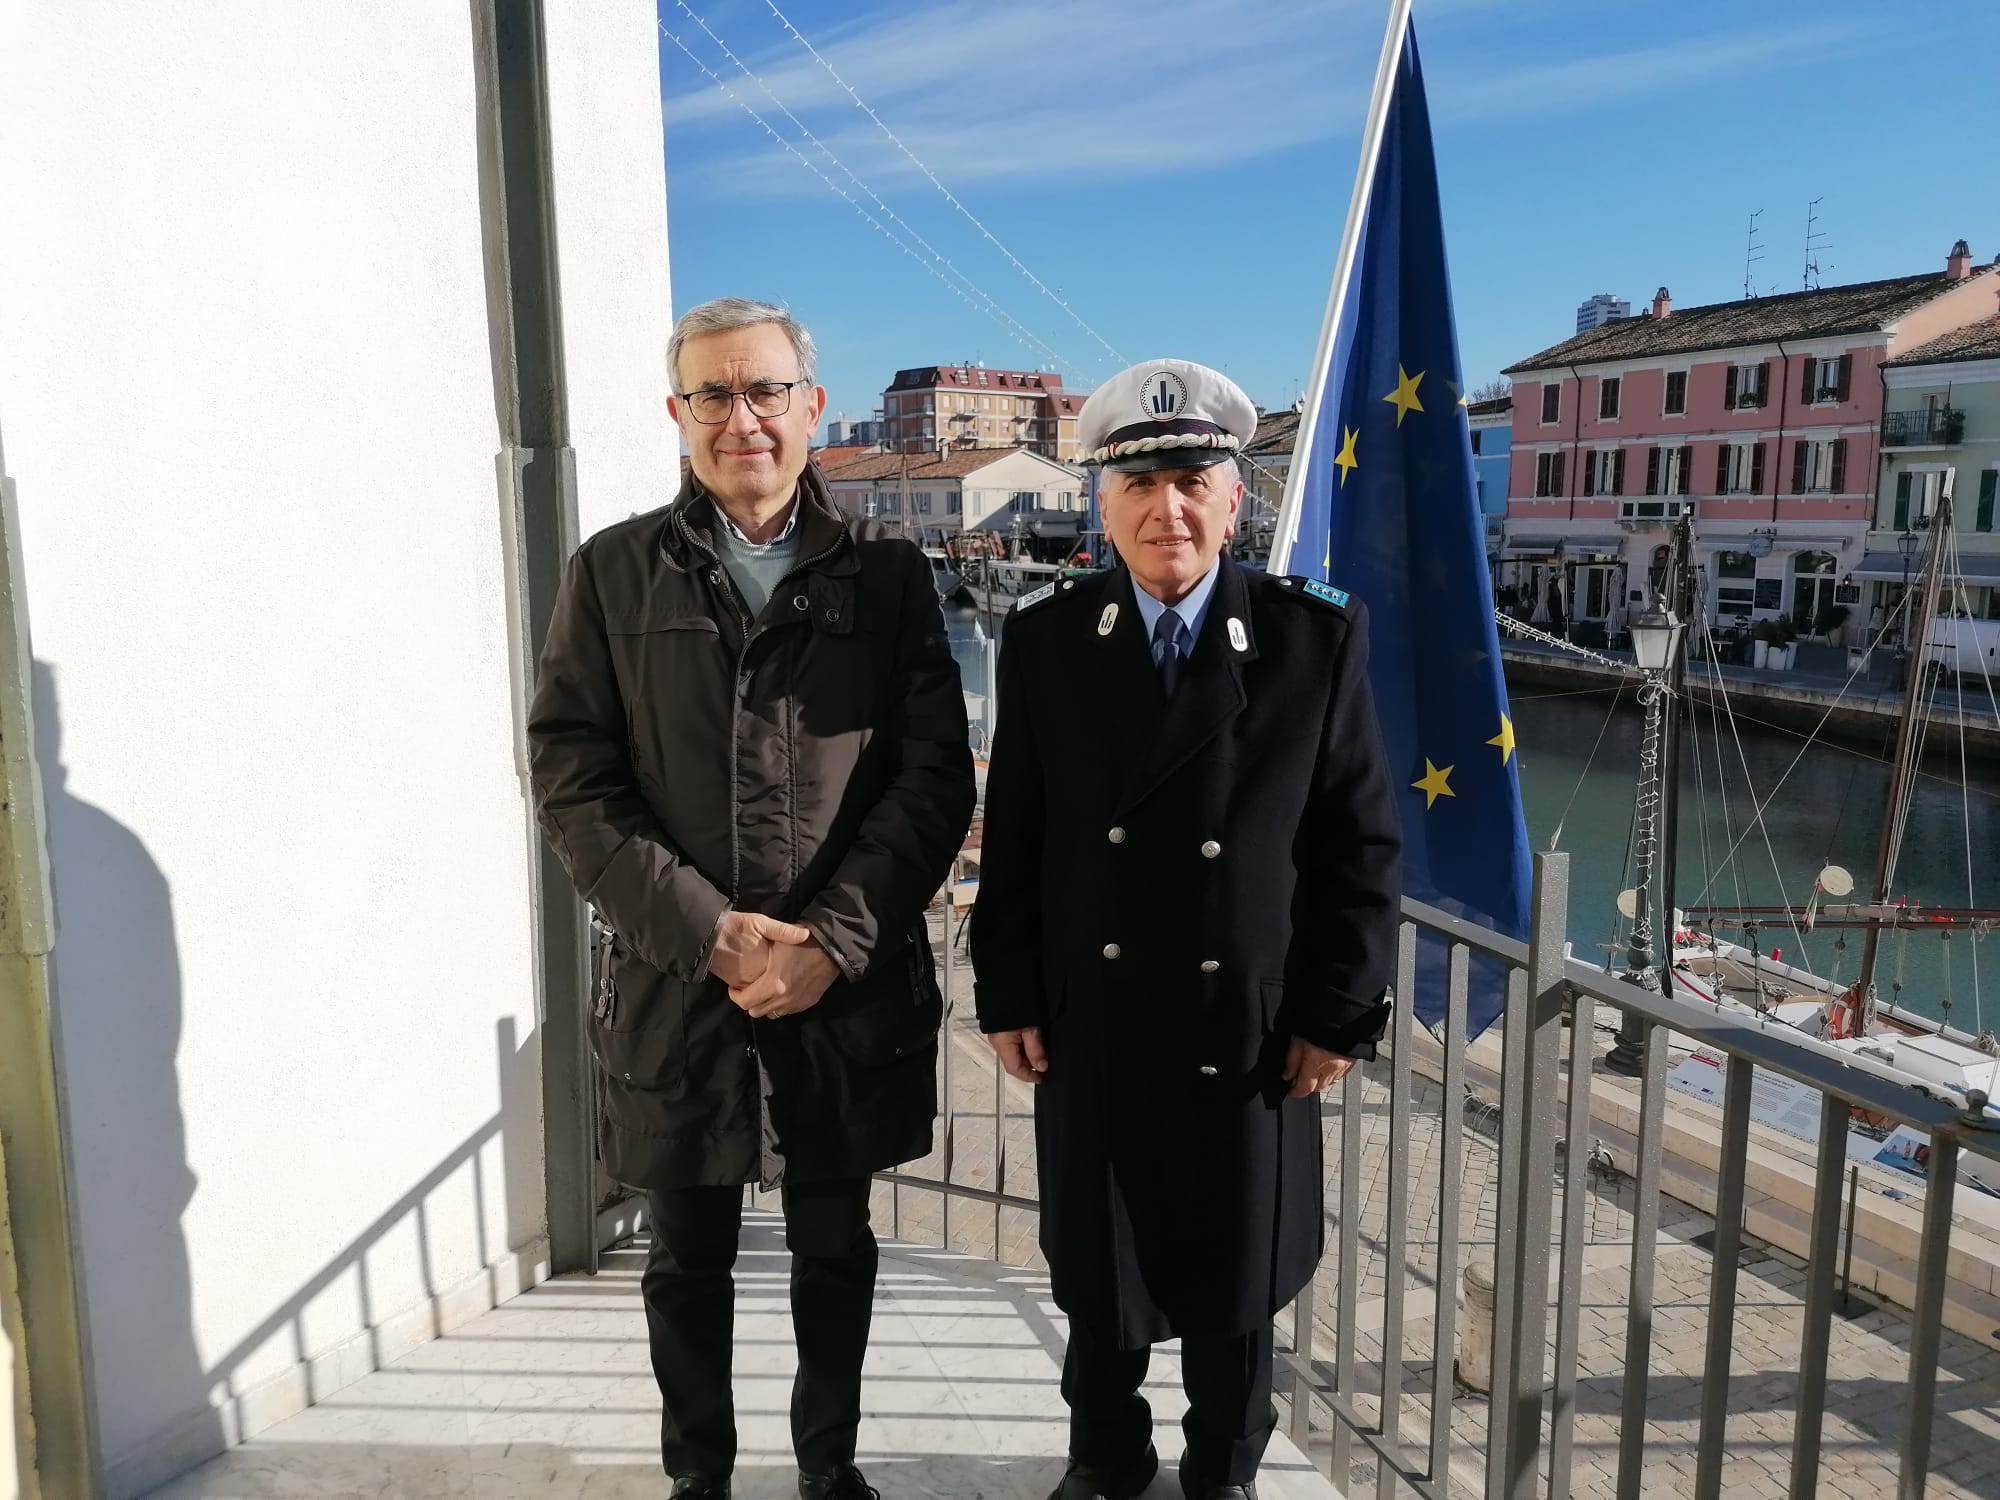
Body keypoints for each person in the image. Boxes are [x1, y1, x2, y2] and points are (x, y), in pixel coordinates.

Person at [527, 297, 976, 1500]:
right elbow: (572, 775)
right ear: (678, 414)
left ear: (810, 407)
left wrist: (829, 941)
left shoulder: (885, 580)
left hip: (842, 987)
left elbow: (932, 778)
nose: (743, 419)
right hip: (680, 983)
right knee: (686, 1259)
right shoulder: (610, 572)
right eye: (714, 395)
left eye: (765, 390)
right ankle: (700, 1482)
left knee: (836, 1249)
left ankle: (829, 1473)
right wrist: (705, 930)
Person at [969, 359, 1402, 1500]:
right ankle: (1102, 1458)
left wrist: (1336, 1014)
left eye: (1193, 481)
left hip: (1246, 1023)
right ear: (1101, 503)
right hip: (1092, 1015)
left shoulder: (1314, 639)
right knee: (1098, 1262)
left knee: (1236, 1264)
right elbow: (1013, 832)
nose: (1168, 509)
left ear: (1234, 497)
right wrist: (1006, 991)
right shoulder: (1048, 641)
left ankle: (1223, 1468)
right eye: (1141, 484)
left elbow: (1358, 846)